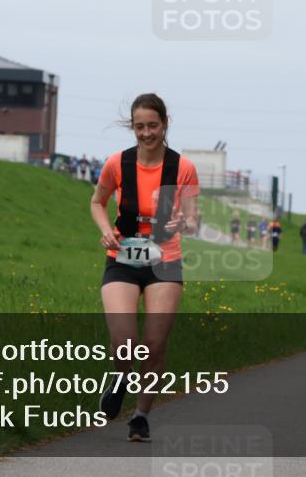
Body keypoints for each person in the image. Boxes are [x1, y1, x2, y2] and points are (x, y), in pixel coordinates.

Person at [90, 94, 200, 441]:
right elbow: (97, 202)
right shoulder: (117, 164)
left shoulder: (182, 167)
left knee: (154, 345)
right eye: (139, 127)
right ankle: (120, 378)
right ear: (132, 127)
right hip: (121, 258)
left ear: (164, 124)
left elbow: (195, 220)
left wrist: (185, 221)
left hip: (165, 260)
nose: (146, 133)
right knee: (124, 341)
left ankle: (140, 415)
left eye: (152, 125)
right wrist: (107, 230)